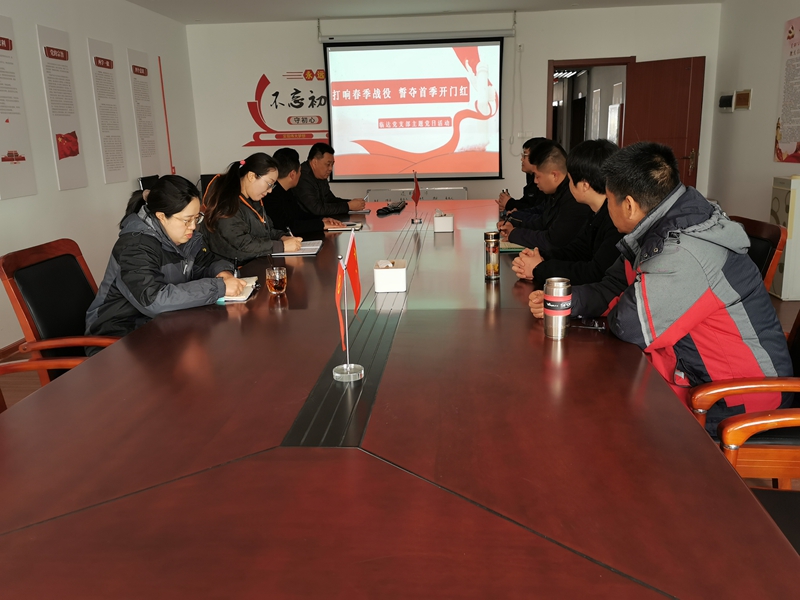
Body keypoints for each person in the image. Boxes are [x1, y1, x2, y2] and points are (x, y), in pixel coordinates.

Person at [528, 142, 793, 434]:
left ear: (629, 205)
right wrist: (563, 300)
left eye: (610, 200)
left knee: (600, 418)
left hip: (737, 398)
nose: (606, 209)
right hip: (694, 373)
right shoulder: (655, 229)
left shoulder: (682, 250)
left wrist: (626, 300)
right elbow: (614, 285)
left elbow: (630, 326)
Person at [85, 175, 245, 343]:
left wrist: (224, 273)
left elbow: (207, 262)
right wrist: (218, 287)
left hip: (161, 326)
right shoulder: (134, 247)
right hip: (117, 338)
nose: (193, 226)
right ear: (161, 216)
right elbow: (154, 300)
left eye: (196, 218)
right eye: (187, 220)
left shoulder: (182, 238)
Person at [511, 139, 622, 286]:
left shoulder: (617, 221)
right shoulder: (595, 211)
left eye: (569, 180)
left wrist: (539, 268)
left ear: (584, 185)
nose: (568, 186)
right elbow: (578, 250)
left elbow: (594, 272)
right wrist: (541, 257)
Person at [200, 152, 302, 262]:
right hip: (233, 268)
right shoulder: (227, 204)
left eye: (272, 186)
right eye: (269, 184)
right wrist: (281, 246)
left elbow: (267, 230)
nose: (270, 190)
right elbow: (242, 244)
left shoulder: (253, 200)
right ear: (251, 176)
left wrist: (282, 237)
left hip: (254, 262)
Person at [498, 140, 592, 253]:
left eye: (538, 176)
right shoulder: (555, 192)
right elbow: (542, 221)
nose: (535, 181)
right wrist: (513, 222)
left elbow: (552, 241)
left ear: (554, 175)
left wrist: (514, 233)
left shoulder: (573, 198)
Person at [265, 148, 345, 235]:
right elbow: (288, 227)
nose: (300, 174)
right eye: (300, 171)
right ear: (292, 174)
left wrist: (322, 219)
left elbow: (299, 214)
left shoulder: (287, 191)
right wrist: (321, 224)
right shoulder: (271, 195)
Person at [294, 143, 366, 216]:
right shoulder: (302, 177)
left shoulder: (320, 175)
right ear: (314, 163)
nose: (330, 169)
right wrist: (348, 206)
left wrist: (351, 203)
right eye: (328, 164)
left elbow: (330, 200)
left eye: (332, 165)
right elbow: (317, 209)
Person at [497, 137, 549, 213]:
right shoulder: (530, 175)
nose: (521, 159)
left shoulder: (546, 180)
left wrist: (509, 203)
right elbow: (528, 202)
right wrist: (507, 203)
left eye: (525, 155)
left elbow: (538, 210)